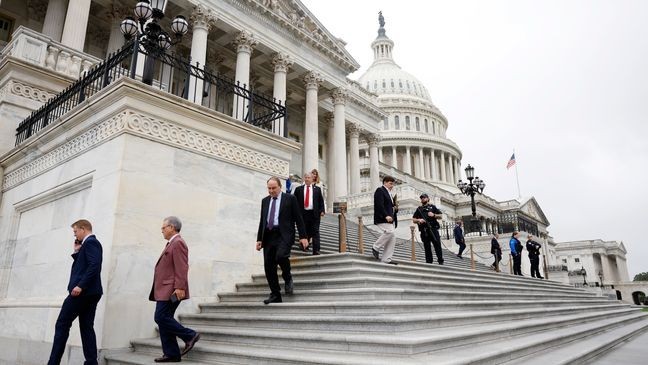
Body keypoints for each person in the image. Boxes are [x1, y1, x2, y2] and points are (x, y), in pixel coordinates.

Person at [48, 219, 103, 365]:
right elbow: (85, 265)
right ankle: (91, 362)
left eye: (75, 231)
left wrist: (80, 286)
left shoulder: (91, 242)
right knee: (86, 327)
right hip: (91, 292)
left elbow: (94, 265)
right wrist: (77, 252)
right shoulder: (87, 245)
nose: (75, 235)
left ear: (83, 229)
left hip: (83, 293)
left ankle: (53, 362)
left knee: (62, 324)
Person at [149, 216, 200, 362]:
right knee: (164, 319)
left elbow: (182, 267)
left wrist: (179, 287)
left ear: (172, 227)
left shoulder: (178, 243)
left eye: (163, 228)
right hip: (165, 289)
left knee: (160, 317)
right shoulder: (171, 243)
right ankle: (172, 354)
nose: (162, 231)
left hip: (171, 290)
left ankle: (190, 335)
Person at [256, 177, 309, 304]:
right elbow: (263, 220)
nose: (271, 191)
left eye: (274, 188)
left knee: (280, 256)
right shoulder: (265, 201)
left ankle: (287, 276)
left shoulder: (290, 199)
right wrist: (259, 239)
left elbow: (298, 218)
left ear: (280, 187)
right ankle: (275, 294)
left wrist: (303, 236)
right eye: (269, 188)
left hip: (284, 234)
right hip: (268, 236)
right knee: (268, 266)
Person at [294, 172, 325, 255]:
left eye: (309, 178)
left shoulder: (317, 189)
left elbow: (320, 201)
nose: (307, 179)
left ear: (312, 179)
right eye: (306, 177)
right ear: (304, 178)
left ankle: (316, 250)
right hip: (303, 214)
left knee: (315, 231)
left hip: (314, 214)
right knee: (304, 230)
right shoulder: (298, 189)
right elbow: (294, 202)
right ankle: (304, 246)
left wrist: (322, 210)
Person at [372, 175, 398, 265]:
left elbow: (389, 206)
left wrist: (394, 208)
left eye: (393, 184)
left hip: (389, 219)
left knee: (392, 237)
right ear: (385, 182)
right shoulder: (380, 190)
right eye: (390, 183)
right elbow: (379, 205)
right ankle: (376, 247)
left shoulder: (390, 193)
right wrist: (386, 215)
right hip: (382, 218)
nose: (392, 186)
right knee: (390, 232)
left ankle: (386, 259)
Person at [412, 193, 444, 265]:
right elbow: (413, 219)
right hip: (424, 231)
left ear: (427, 199)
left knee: (437, 245)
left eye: (424, 197)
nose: (423, 199)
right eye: (421, 198)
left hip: (433, 229)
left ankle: (440, 260)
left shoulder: (433, 207)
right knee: (427, 247)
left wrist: (434, 215)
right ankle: (429, 262)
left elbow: (441, 215)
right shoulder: (419, 209)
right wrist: (419, 220)